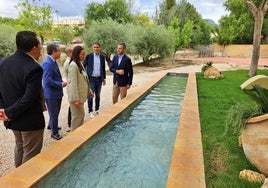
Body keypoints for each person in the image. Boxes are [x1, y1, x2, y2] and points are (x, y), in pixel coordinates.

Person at [0, 31, 45, 167]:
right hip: (29, 121)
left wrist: (4, 110)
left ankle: (17, 180)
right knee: (31, 154)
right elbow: (29, 98)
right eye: (40, 46)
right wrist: (8, 112)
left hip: (12, 119)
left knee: (20, 146)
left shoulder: (3, 62)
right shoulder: (34, 68)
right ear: (34, 48)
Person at [42, 44, 67, 140]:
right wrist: (61, 84)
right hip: (52, 94)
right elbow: (47, 80)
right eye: (59, 51)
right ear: (53, 52)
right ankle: (54, 133)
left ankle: (51, 125)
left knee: (54, 112)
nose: (60, 52)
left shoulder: (52, 61)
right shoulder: (47, 63)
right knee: (54, 113)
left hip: (55, 93)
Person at [67, 45, 94, 131]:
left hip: (80, 96)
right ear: (77, 54)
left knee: (80, 116)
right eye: (82, 54)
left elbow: (84, 80)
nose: (84, 56)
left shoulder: (80, 64)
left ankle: (77, 135)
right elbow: (73, 84)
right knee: (77, 118)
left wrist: (89, 91)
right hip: (76, 98)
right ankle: (73, 138)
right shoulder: (73, 66)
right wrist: (75, 99)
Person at [83, 42, 106, 118]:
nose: (96, 49)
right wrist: (84, 76)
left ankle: (97, 109)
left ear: (100, 48)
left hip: (99, 79)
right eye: (94, 47)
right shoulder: (89, 56)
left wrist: (104, 78)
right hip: (91, 79)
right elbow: (83, 66)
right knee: (91, 95)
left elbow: (103, 68)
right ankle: (90, 111)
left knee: (98, 95)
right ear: (93, 48)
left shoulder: (102, 57)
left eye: (97, 47)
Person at [63, 46, 73, 128]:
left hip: (71, 85)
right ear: (69, 53)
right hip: (71, 86)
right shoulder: (68, 62)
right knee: (72, 104)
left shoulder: (69, 61)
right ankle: (70, 122)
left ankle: (70, 121)